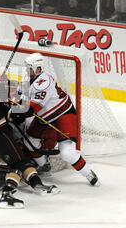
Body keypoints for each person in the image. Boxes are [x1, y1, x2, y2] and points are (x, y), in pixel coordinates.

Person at [0, 65, 60, 208]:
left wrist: (20, 110)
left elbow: (4, 111)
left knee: (13, 157)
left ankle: (36, 184)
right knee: (19, 162)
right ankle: (7, 195)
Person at [9, 53, 99, 187]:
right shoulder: (28, 79)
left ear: (38, 68)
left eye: (30, 68)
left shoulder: (44, 83)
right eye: (27, 67)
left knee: (66, 153)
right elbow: (20, 97)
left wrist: (12, 111)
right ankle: (44, 166)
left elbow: (29, 110)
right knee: (30, 142)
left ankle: (89, 174)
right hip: (45, 116)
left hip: (63, 114)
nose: (27, 70)